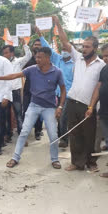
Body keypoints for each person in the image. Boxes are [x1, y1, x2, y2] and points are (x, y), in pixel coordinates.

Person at [0, 47, 66, 169]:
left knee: (53, 135)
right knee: (24, 132)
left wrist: (60, 106)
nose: (37, 59)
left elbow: (63, 89)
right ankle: (15, 157)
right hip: (34, 106)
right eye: (36, 57)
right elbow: (14, 76)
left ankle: (55, 159)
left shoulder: (57, 72)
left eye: (40, 57)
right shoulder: (32, 69)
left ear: (48, 58)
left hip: (49, 107)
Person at [54, 16, 106, 172]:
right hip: (72, 102)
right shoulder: (78, 58)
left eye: (87, 47)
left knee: (89, 135)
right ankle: (76, 163)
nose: (84, 49)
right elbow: (65, 42)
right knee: (74, 134)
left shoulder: (102, 65)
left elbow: (100, 87)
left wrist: (93, 106)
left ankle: (91, 162)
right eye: (83, 46)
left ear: (95, 48)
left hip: (88, 106)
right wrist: (58, 23)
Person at [35, 27, 74, 148]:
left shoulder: (75, 63)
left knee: (62, 117)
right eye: (62, 49)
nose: (63, 51)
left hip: (68, 95)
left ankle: (64, 140)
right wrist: (40, 35)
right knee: (57, 117)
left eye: (66, 49)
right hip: (56, 94)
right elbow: (48, 48)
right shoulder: (58, 59)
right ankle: (62, 136)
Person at [1, 38, 32, 142]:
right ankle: (8, 135)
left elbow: (28, 56)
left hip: (15, 92)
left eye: (6, 53)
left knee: (18, 114)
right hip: (6, 92)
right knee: (6, 115)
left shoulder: (18, 62)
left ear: (12, 53)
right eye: (3, 53)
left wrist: (25, 45)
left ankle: (22, 136)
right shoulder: (2, 62)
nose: (5, 55)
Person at [86, 44, 108, 178]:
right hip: (104, 113)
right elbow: (98, 88)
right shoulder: (104, 70)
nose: (105, 58)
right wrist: (91, 107)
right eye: (104, 56)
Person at [22, 39, 43, 142]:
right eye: (35, 44)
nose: (37, 46)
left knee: (38, 112)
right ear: (32, 46)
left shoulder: (45, 59)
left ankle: (38, 131)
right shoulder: (28, 59)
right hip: (28, 89)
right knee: (26, 111)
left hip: (40, 90)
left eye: (39, 45)